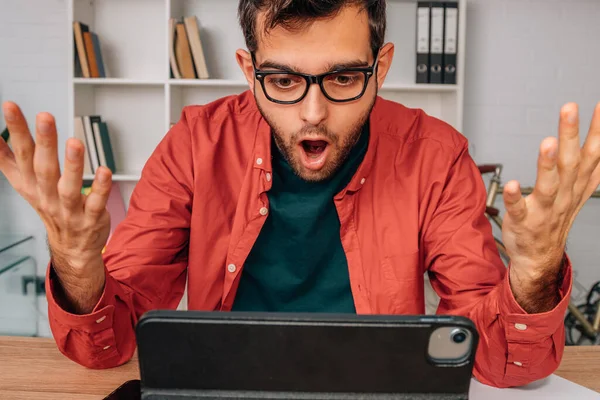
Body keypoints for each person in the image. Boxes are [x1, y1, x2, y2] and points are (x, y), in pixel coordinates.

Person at [1, 0, 599, 389]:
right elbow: (109, 347)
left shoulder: (435, 155)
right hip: (226, 387)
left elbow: (499, 361)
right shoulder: (194, 144)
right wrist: (78, 267)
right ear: (248, 67)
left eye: (342, 78)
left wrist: (537, 271)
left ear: (381, 66)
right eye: (283, 80)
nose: (313, 114)